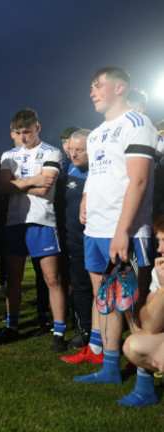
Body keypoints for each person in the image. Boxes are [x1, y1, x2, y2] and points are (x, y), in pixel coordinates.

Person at [73, 67, 158, 395]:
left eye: (98, 86)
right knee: (104, 298)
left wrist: (123, 231)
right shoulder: (95, 134)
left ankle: (145, 382)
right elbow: (95, 176)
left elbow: (138, 180)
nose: (92, 92)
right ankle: (109, 367)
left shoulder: (137, 125)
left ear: (120, 87)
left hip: (126, 231)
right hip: (95, 228)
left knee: (134, 305)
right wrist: (84, 199)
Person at [0, 108, 67, 352]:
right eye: (19, 133)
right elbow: (3, 187)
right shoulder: (8, 155)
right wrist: (31, 181)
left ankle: (59, 331)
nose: (23, 137)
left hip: (42, 220)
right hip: (15, 222)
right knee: (13, 279)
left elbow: (45, 187)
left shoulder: (51, 151)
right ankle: (11, 327)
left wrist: (16, 183)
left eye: (27, 132)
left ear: (37, 128)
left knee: (51, 278)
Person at [57, 130, 95, 352]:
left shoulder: (103, 170)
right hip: (75, 240)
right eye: (71, 149)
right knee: (80, 286)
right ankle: (84, 330)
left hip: (101, 238)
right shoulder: (67, 169)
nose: (73, 154)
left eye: (79, 150)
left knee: (108, 287)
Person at [121, 215, 164, 406]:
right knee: (134, 345)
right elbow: (149, 324)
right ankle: (145, 390)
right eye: (159, 241)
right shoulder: (160, 271)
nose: (160, 249)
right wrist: (162, 289)